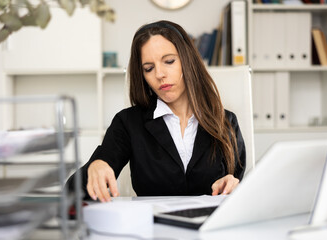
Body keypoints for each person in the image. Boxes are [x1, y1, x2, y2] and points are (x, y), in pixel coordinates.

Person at [67, 20, 246, 202]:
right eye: (149, 68)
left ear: (187, 60)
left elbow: (242, 193)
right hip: (152, 228)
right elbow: (73, 193)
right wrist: (95, 167)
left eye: (169, 61)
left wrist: (233, 185)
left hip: (208, 227)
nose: (159, 74)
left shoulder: (226, 122)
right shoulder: (128, 123)